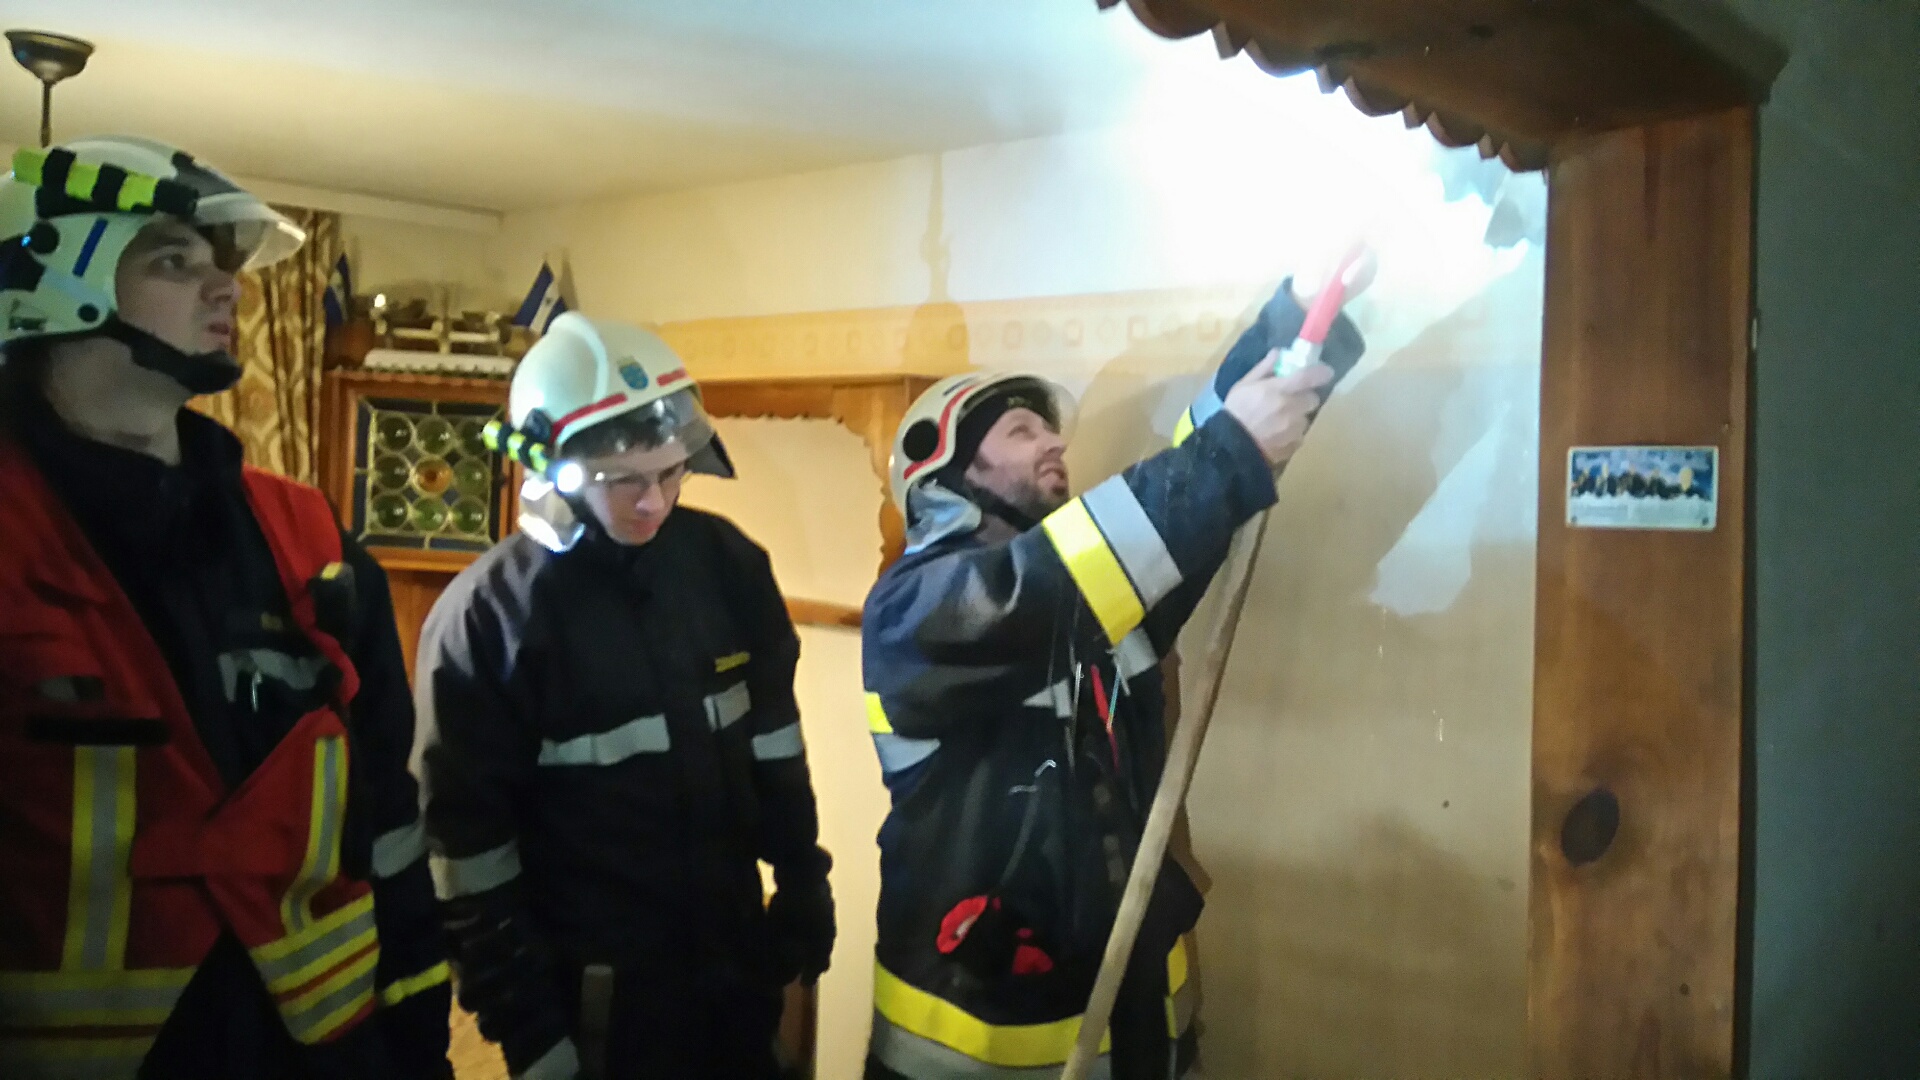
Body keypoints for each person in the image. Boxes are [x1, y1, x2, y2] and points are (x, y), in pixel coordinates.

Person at [0, 137, 452, 1078]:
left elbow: (386, 821)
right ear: (52, 278)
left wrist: (417, 1042)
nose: (227, 289)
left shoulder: (311, 543)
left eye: (225, 264)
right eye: (173, 260)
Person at [860, 264, 1371, 1079]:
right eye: (1022, 431)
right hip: (973, 1044)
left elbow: (1183, 487)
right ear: (946, 472)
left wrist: (1299, 320)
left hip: (1133, 1030)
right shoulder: (916, 612)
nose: (1055, 442)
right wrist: (1232, 453)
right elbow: (1041, 588)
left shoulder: (1093, 599)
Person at [414, 313, 836, 1080]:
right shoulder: (488, 622)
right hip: (600, 1005)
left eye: (671, 472)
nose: (654, 502)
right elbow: (468, 859)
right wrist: (532, 1036)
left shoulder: (725, 566)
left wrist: (804, 877)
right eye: (622, 481)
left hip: (734, 970)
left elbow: (775, 741)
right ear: (545, 467)